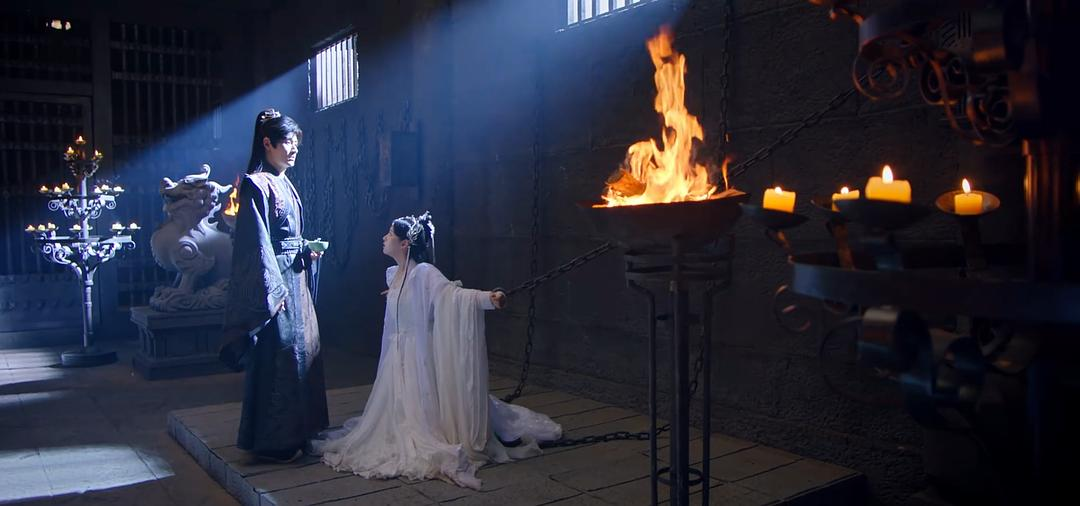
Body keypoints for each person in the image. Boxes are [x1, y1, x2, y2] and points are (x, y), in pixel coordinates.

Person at [315, 212, 561, 489]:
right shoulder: (394, 274)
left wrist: (487, 299)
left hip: (418, 353)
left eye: (390, 234)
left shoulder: (424, 272)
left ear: (405, 243)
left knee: (421, 409)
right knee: (397, 408)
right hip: (397, 352)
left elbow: (451, 296)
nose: (384, 238)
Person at [221, 108, 329, 463]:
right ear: (267, 143)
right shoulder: (255, 184)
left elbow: (289, 237)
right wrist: (271, 290)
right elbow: (255, 242)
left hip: (296, 279)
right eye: (287, 142)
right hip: (277, 284)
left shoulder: (284, 182)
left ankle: (303, 432)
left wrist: (306, 250)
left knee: (305, 351)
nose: (293, 148)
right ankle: (274, 441)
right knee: (279, 355)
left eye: (296, 142)